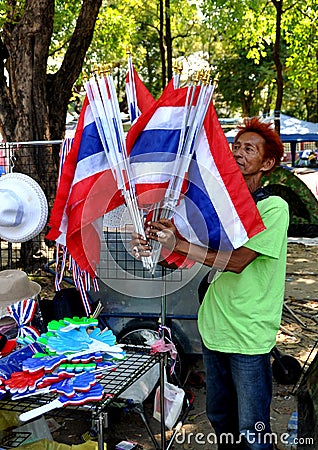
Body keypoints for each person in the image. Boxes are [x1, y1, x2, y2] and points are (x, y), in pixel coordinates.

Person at [130, 117, 289, 450]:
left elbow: (237, 261)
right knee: (220, 418)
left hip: (248, 334)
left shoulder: (273, 207)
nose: (239, 153)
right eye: (235, 147)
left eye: (250, 149)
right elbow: (185, 256)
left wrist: (181, 245)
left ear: (269, 163)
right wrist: (156, 244)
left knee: (253, 430)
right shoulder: (220, 209)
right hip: (215, 327)